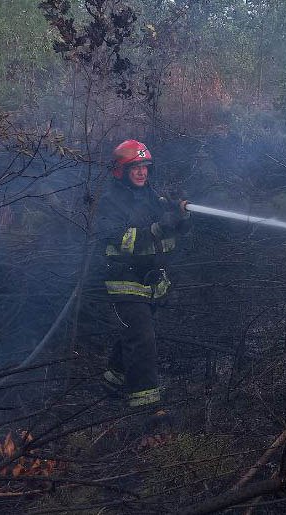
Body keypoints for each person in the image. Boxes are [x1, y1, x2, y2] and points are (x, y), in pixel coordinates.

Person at [89, 139, 190, 409]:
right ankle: (145, 407)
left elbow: (168, 232)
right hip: (123, 280)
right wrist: (158, 228)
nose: (142, 172)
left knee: (133, 335)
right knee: (143, 339)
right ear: (121, 170)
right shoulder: (111, 202)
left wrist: (178, 217)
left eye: (145, 167)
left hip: (150, 281)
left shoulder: (151, 197)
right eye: (136, 168)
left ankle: (111, 382)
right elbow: (123, 240)